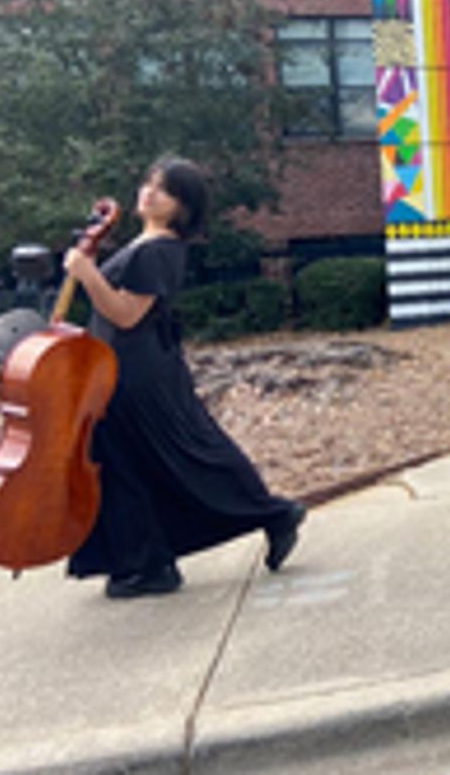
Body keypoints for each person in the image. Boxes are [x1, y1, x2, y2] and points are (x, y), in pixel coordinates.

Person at [65, 157, 305, 598]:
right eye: (149, 183)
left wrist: (86, 274)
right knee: (129, 467)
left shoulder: (159, 251)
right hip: (118, 372)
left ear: (183, 209)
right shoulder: (144, 245)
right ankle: (145, 563)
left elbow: (125, 314)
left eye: (165, 191)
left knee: (183, 453)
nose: (150, 193)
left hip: (135, 374)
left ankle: (272, 513)